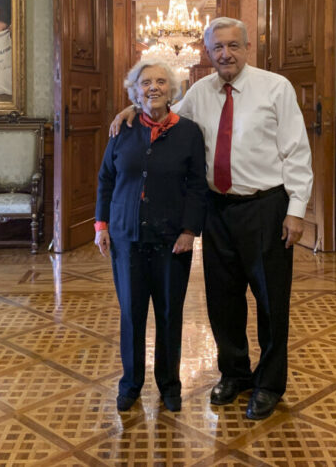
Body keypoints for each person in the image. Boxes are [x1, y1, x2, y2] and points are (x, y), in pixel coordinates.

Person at [109, 17, 313, 420]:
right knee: (223, 301)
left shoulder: (277, 88)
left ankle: (269, 383)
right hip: (217, 210)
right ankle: (234, 373)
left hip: (266, 207)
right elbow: (163, 112)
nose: (226, 54)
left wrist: (296, 210)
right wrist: (132, 107)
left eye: (233, 45)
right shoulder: (200, 92)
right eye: (218, 47)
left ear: (247, 47)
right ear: (207, 52)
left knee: (271, 302)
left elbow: (297, 151)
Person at [96, 58, 207, 413]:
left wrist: (190, 230)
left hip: (172, 240)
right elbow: (106, 179)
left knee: (169, 314)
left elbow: (197, 186)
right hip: (126, 238)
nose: (153, 88)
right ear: (136, 91)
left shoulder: (189, 132)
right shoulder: (122, 129)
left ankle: (170, 385)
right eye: (146, 83)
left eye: (160, 82)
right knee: (131, 314)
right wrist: (101, 225)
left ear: (172, 90)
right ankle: (130, 384)